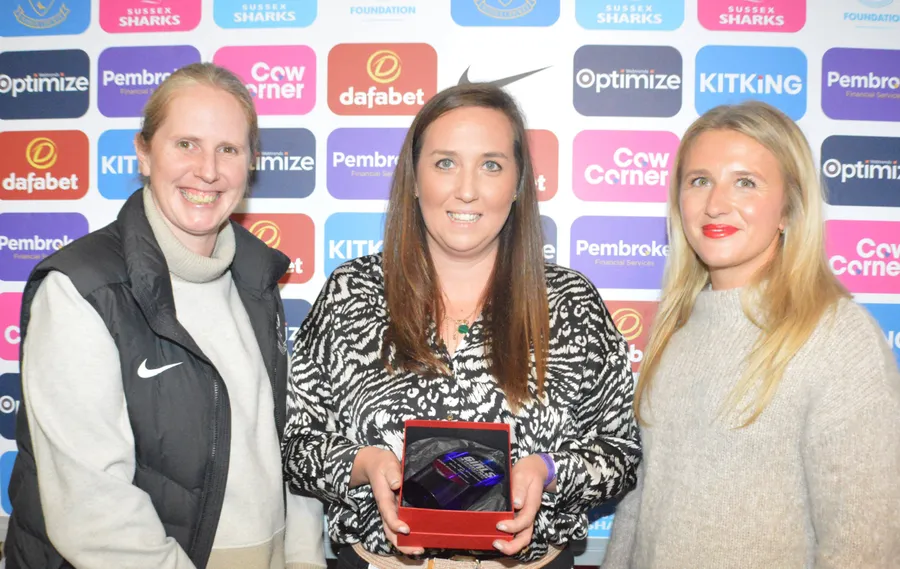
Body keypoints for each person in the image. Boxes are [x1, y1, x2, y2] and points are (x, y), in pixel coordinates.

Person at [282, 83, 641, 569]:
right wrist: (364, 465)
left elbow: (620, 453)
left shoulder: (570, 302)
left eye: (491, 165)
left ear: (518, 184)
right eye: (445, 163)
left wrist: (549, 470)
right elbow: (296, 445)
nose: (467, 189)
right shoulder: (352, 293)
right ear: (414, 178)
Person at [4, 63, 326, 569]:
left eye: (229, 149)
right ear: (144, 152)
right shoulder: (82, 288)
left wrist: (304, 558)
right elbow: (93, 510)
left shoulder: (257, 280)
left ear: (250, 163)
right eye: (186, 144)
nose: (208, 170)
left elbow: (286, 444)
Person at [601, 101, 900, 569]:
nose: (715, 204)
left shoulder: (838, 337)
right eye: (699, 180)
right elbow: (639, 509)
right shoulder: (677, 327)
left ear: (788, 208)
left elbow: (864, 545)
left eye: (746, 182)